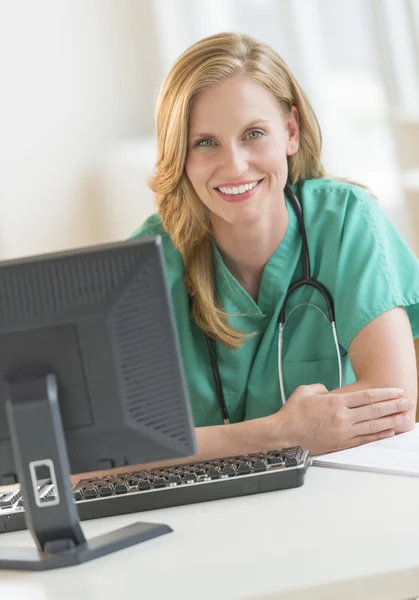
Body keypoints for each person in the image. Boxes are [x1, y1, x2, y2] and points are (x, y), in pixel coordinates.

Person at [128, 31, 419, 462]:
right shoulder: (143, 265)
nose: (235, 165)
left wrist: (202, 445)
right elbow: (113, 454)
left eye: (253, 134)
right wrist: (282, 432)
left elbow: (393, 404)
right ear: (180, 155)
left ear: (291, 132)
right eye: (204, 142)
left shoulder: (344, 220)